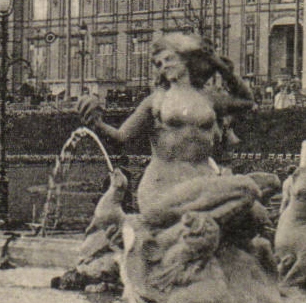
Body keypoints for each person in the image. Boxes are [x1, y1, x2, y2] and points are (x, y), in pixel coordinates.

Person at [78, 31, 270, 226]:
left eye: (169, 59)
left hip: (202, 182)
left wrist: (220, 65)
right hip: (163, 189)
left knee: (259, 206)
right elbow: (121, 136)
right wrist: (97, 123)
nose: (164, 66)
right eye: (159, 63)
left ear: (186, 59)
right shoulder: (156, 100)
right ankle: (186, 228)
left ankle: (181, 229)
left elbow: (247, 101)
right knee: (247, 190)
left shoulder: (209, 97)